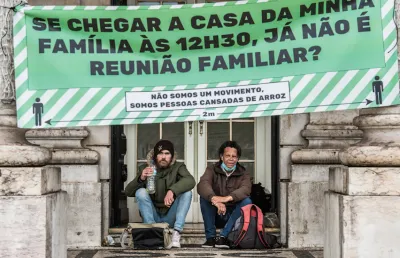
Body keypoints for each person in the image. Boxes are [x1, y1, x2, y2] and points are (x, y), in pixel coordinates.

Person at [125, 139, 196, 248]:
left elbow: (191, 181)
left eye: (167, 154)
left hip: (170, 217)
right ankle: (152, 233)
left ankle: (176, 233)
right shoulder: (145, 168)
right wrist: (141, 178)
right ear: (155, 156)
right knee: (140, 192)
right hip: (152, 217)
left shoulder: (178, 167)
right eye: (160, 153)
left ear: (171, 156)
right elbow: (128, 192)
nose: (163, 157)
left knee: (187, 193)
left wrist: (172, 190)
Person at [197, 140, 252, 249]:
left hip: (233, 217)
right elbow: (203, 184)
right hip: (216, 213)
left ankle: (224, 236)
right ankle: (210, 238)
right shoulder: (212, 169)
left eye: (234, 156)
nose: (231, 159)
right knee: (204, 197)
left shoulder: (243, 173)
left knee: (247, 201)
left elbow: (246, 189)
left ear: (237, 158)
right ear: (221, 157)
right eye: (228, 156)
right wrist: (214, 199)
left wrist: (226, 199)